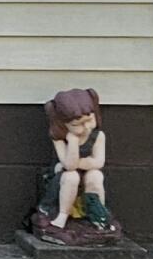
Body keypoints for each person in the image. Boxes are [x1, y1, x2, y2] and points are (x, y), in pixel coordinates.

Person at [33, 87, 114, 238]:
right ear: (63, 124)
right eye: (77, 125)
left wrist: (77, 163)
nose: (85, 128)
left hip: (85, 174)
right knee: (71, 176)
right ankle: (62, 215)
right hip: (61, 181)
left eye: (89, 120)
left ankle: (97, 214)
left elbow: (98, 162)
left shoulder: (98, 136)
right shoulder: (60, 139)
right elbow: (69, 166)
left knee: (95, 176)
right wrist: (73, 143)